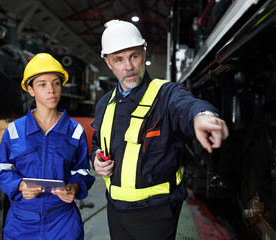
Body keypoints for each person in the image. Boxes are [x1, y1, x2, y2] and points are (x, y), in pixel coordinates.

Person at [91, 20, 229, 240]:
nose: (128, 66)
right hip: (115, 210)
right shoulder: (104, 104)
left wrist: (203, 116)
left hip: (155, 213)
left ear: (144, 53)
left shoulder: (166, 94)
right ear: (108, 62)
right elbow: (99, 142)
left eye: (134, 56)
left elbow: (187, 106)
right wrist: (97, 159)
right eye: (119, 59)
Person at [0, 53, 95, 240]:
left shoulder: (74, 130)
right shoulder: (15, 129)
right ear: (30, 90)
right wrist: (20, 185)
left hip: (62, 221)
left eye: (56, 83)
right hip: (22, 222)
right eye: (42, 84)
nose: (51, 90)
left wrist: (74, 187)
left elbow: (83, 170)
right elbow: (0, 167)